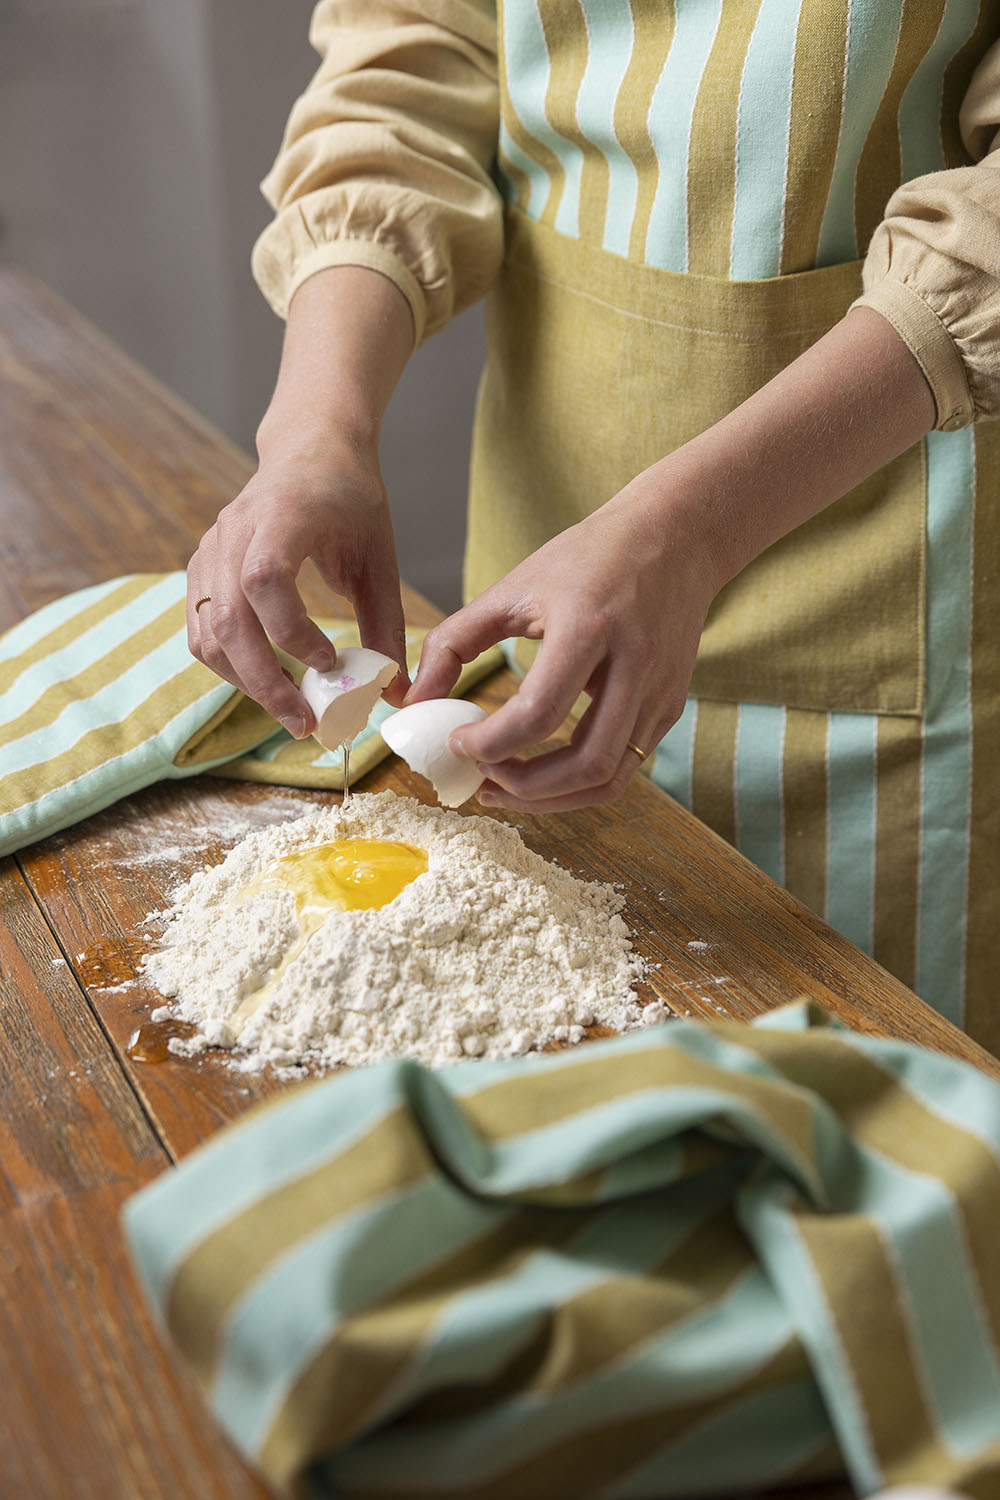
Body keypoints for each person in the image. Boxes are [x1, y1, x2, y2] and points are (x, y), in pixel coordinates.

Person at [186, 1, 1000, 1053]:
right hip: (543, 558)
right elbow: (410, 60)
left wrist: (692, 530)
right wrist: (312, 430)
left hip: (895, 577)